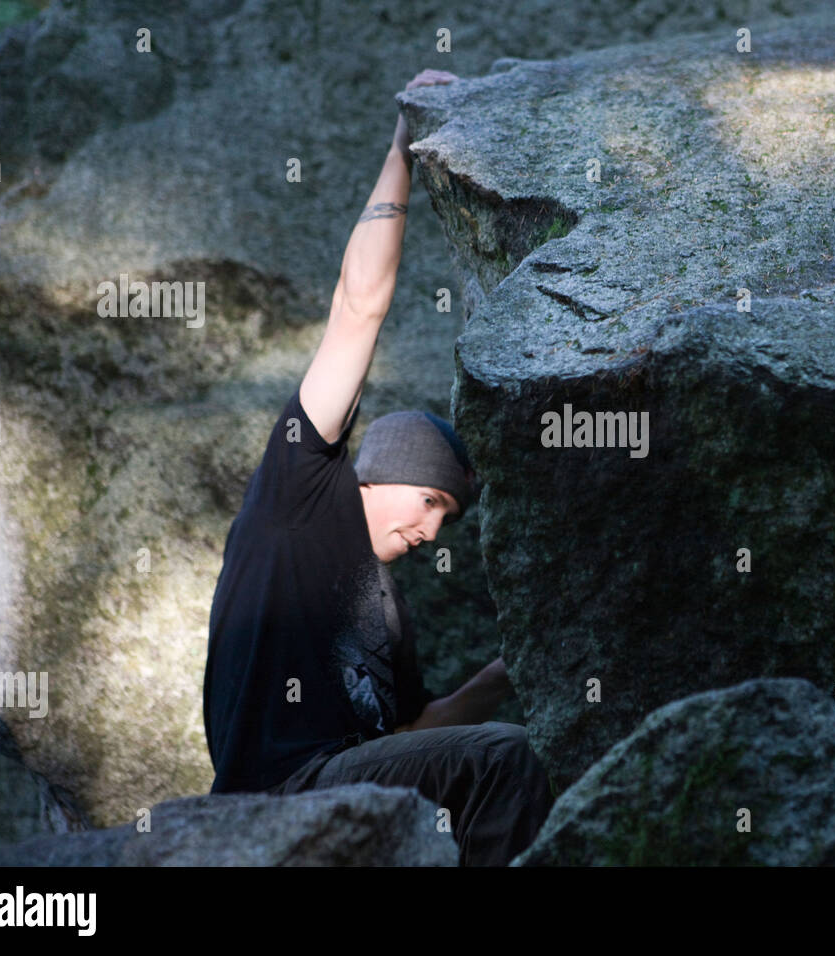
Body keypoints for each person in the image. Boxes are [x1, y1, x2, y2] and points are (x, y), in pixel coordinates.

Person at [202, 69, 554, 866]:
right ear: (380, 469)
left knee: (509, 754)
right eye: (430, 499)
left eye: (448, 518)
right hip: (280, 795)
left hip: (356, 787)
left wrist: (512, 668)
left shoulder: (387, 610)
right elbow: (359, 306)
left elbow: (409, 738)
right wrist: (401, 147)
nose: (433, 531)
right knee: (505, 761)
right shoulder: (298, 500)